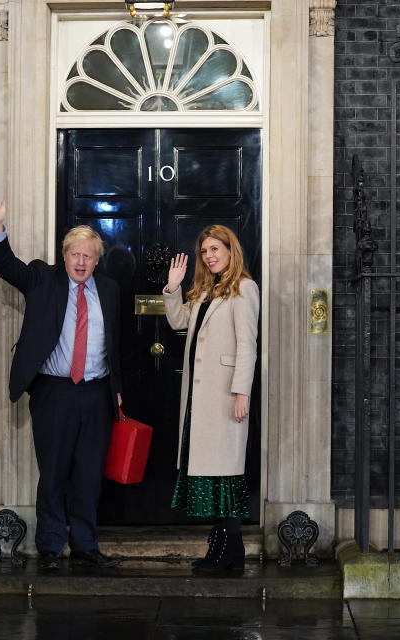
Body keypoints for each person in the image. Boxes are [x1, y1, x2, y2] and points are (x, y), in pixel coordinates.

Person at [0, 193, 123, 571]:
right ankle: (51, 548)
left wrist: (116, 389)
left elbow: (118, 344)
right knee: (54, 472)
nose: (81, 261)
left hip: (96, 394)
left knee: (89, 474)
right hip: (54, 392)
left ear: (97, 259)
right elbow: (8, 267)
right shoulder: (43, 278)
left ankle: (86, 545)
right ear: (65, 254)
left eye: (88, 255)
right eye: (75, 254)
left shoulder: (109, 290)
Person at [162, 225, 259, 573]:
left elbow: (248, 346)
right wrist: (173, 287)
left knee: (225, 476)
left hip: (224, 397)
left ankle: (226, 551)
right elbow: (177, 323)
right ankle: (225, 550)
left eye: (216, 249)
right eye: (205, 251)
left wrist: (241, 393)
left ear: (231, 251)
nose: (210, 256)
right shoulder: (204, 290)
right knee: (212, 476)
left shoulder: (244, 289)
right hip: (197, 399)